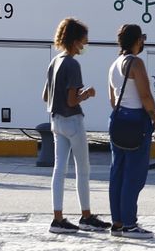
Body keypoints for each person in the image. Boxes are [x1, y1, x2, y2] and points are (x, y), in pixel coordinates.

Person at [44, 17, 109, 234]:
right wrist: (87, 94)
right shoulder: (72, 64)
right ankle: (86, 215)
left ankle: (58, 218)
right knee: (83, 169)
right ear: (74, 41)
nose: (84, 46)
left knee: (59, 169)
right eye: (82, 41)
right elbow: (72, 100)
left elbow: (46, 95)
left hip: (56, 121)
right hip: (73, 120)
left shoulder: (54, 62)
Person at [107, 23, 155, 238]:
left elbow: (112, 99)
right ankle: (130, 224)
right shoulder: (136, 63)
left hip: (118, 120)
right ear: (137, 40)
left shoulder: (114, 64)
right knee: (134, 175)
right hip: (137, 122)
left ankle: (118, 223)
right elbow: (146, 96)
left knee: (117, 173)